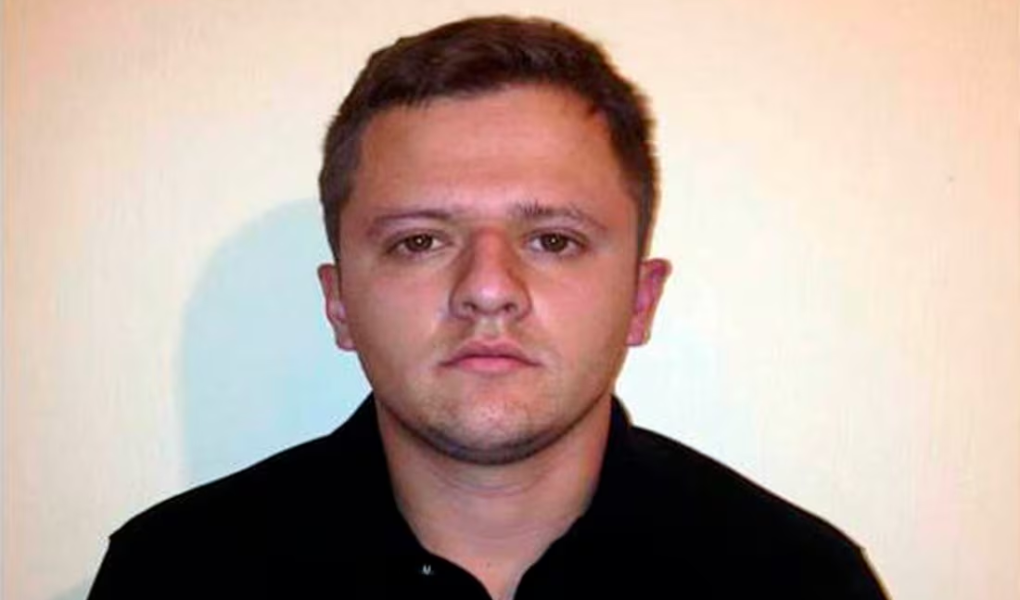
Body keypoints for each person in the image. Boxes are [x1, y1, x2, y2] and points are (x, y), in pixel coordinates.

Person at [88, 15, 888, 599]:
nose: (488, 287)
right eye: (419, 241)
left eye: (554, 240)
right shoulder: (175, 577)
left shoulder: (797, 582)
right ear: (339, 306)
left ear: (641, 301)